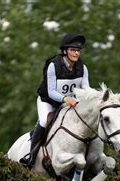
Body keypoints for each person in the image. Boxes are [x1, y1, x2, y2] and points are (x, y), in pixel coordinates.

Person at [21, 33, 90, 168]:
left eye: (78, 51)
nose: (76, 53)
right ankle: (31, 156)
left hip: (69, 104)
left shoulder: (82, 67)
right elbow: (52, 92)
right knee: (44, 121)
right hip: (49, 102)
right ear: (65, 51)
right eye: (73, 50)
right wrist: (66, 99)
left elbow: (86, 88)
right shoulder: (53, 65)